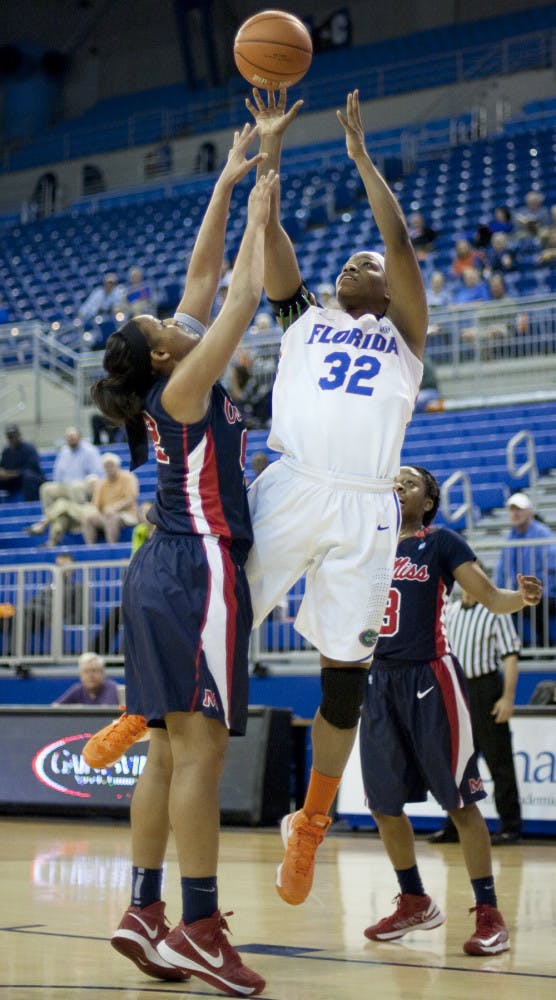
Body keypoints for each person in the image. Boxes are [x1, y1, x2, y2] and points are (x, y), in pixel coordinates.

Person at [87, 124, 272, 996]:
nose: (176, 312)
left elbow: (203, 278)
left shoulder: (170, 376)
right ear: (164, 352)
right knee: (201, 757)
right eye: (164, 323)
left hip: (158, 571)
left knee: (165, 754)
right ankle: (199, 926)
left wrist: (227, 179)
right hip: (197, 571)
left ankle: (143, 909)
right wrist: (268, 183)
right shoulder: (186, 384)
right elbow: (236, 297)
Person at [245, 87, 427, 907]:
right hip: (292, 483)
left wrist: (360, 159)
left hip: (364, 505)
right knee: (210, 614)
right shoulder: (303, 319)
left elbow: (397, 239)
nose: (358, 260)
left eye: (371, 265)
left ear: (390, 292)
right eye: (348, 260)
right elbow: (270, 230)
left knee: (344, 679)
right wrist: (273, 150)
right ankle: (143, 713)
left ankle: (310, 824)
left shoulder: (407, 338)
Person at [359, 465, 542, 956]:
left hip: (430, 679)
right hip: (377, 682)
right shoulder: (368, 542)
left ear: (429, 500)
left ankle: (489, 914)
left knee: (460, 801)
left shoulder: (441, 542)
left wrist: (519, 600)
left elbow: (487, 596)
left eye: (411, 483)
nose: (399, 487)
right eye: (394, 481)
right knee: (382, 805)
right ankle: (415, 900)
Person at [429, 576, 522, 846]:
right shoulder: (451, 612)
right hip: (456, 690)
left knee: (499, 761)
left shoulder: (495, 612)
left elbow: (511, 656)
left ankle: (510, 826)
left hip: (486, 689)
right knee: (454, 764)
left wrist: (507, 697)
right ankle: (453, 826)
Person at [494, 492, 556, 645]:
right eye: (512, 510)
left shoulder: (542, 533)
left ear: (530, 512)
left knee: (535, 604)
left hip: (547, 592)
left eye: (519, 509)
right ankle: (516, 648)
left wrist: (540, 591)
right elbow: (501, 572)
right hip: (523, 593)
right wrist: (496, 594)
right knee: (501, 607)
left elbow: (553, 569)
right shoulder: (510, 538)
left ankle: (545, 645)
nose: (515, 513)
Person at [29, 427, 104, 537]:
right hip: (65, 486)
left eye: (73, 437)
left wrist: (89, 483)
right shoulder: (64, 452)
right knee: (46, 488)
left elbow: (97, 474)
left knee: (75, 486)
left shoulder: (90, 451)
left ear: (80, 437)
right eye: (69, 437)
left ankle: (78, 522)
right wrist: (57, 485)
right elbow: (57, 474)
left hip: (83, 486)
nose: (71, 439)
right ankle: (52, 519)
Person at [81, 452, 139, 545]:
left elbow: (131, 498)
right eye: (106, 466)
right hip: (105, 515)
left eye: (111, 465)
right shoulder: (101, 484)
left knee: (112, 517)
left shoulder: (128, 477)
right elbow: (95, 505)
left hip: (127, 514)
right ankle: (90, 548)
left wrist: (115, 508)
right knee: (88, 519)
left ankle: (111, 547)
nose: (109, 469)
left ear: (117, 466)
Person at [27, 474, 99, 546]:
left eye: (94, 484)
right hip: (80, 515)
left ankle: (43, 524)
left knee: (63, 503)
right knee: (62, 517)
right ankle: (51, 542)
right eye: (90, 485)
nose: (92, 487)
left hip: (92, 513)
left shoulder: (101, 492)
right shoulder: (86, 494)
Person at [53, 652, 120, 706]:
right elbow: (55, 707)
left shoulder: (113, 688)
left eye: (94, 671)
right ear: (81, 675)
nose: (90, 675)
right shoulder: (78, 689)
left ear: (103, 673)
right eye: (86, 671)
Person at [0, 424, 45, 501]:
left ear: (19, 435)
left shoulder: (29, 448)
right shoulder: (6, 451)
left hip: (31, 480)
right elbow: (3, 467)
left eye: (14, 436)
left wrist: (11, 474)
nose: (12, 439)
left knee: (28, 476)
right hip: (13, 482)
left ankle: (30, 507)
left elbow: (32, 469)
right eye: (10, 437)